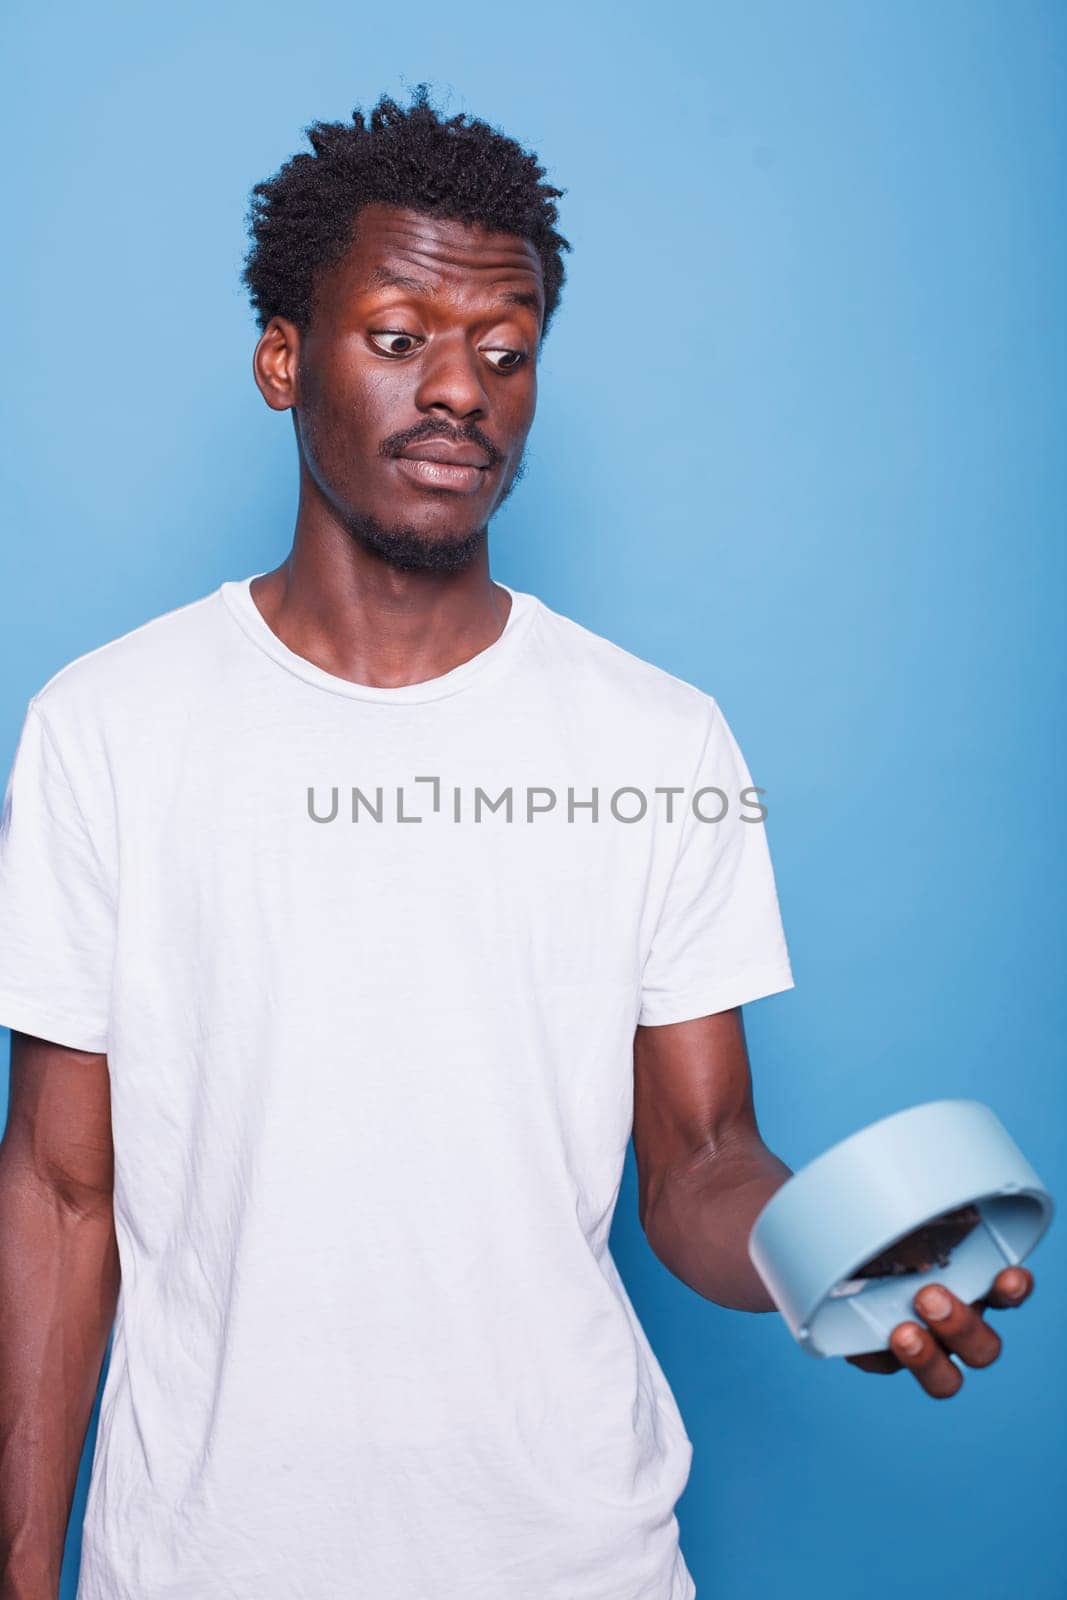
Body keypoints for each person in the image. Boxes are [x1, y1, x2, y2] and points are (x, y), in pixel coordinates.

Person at [0, 86, 1034, 1600]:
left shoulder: (657, 741)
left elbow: (698, 1166)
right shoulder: (106, 726)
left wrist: (828, 1255)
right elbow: (59, 1191)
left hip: (574, 1561)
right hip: (200, 1561)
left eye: (507, 349)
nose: (464, 389)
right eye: (400, 337)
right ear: (284, 359)